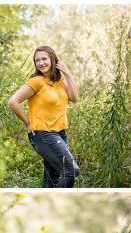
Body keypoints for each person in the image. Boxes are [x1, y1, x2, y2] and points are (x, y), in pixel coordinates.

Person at [8, 46, 80, 188]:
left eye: (44, 59)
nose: (41, 63)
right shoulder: (36, 81)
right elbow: (12, 102)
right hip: (43, 134)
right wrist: (28, 123)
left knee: (52, 177)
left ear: (53, 60)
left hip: (60, 133)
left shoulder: (61, 79)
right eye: (37, 60)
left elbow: (74, 98)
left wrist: (68, 74)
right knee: (71, 170)